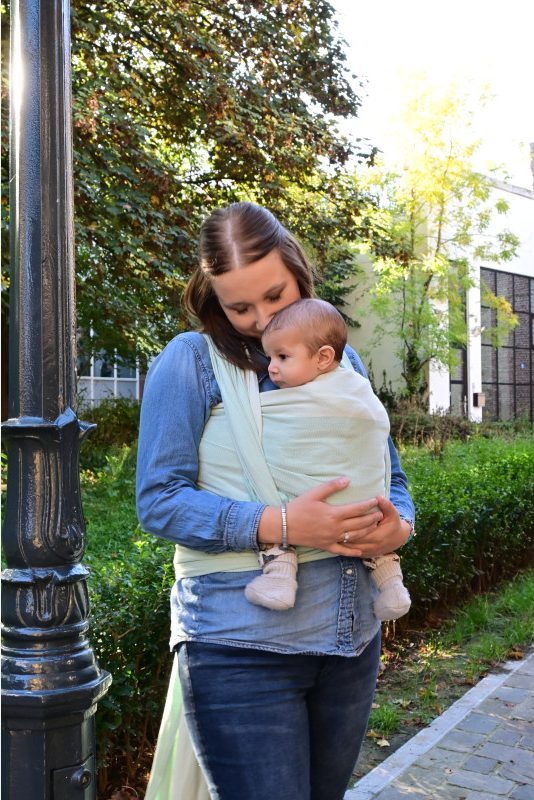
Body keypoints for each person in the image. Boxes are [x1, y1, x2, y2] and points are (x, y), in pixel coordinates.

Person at [136, 202, 415, 800]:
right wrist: (282, 523)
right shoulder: (191, 361)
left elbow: (387, 473)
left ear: (297, 270)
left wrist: (400, 526)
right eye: (240, 308)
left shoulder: (339, 358)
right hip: (241, 642)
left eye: (274, 295)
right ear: (213, 298)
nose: (262, 320)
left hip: (351, 635)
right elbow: (159, 500)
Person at [243, 297, 411, 621]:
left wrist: (402, 522)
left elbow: (374, 430)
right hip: (344, 507)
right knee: (368, 526)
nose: (271, 367)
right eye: (270, 357)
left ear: (322, 357)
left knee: (271, 507)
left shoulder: (348, 386)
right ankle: (391, 586)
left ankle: (280, 577)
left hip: (335, 500)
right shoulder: (354, 386)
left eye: (282, 357)